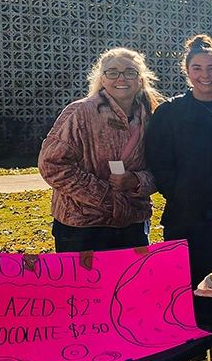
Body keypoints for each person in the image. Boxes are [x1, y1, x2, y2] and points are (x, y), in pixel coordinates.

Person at [145, 34, 212, 361]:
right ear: (187, 72)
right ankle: (189, 351)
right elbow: (158, 160)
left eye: (211, 68)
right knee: (186, 285)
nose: (205, 75)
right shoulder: (169, 112)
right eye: (197, 68)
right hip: (186, 215)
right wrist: (179, 191)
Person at [39, 48, 162, 253]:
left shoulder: (153, 118)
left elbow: (164, 167)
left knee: (130, 276)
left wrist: (138, 180)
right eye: (112, 72)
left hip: (133, 225)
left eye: (130, 72)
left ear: (140, 79)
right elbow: (52, 164)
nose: (121, 78)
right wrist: (107, 198)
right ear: (102, 79)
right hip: (83, 226)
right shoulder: (80, 113)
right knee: (84, 277)